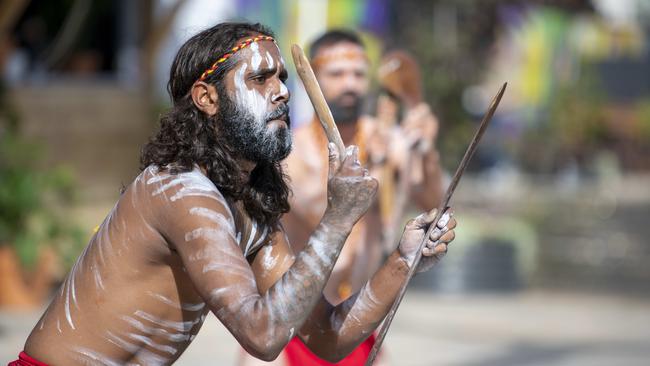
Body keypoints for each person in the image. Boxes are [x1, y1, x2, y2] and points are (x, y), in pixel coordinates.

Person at [9, 22, 456, 366]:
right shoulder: (180, 189)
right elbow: (262, 336)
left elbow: (325, 337)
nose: (281, 91)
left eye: (281, 77)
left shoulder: (249, 205)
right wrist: (338, 217)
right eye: (260, 78)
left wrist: (402, 261)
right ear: (206, 97)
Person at [239, 30, 448, 365]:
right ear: (314, 79)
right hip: (292, 326)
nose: (350, 84)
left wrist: (425, 150)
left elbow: (434, 203)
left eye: (359, 74)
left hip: (358, 325)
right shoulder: (285, 156)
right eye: (337, 74)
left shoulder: (389, 142)